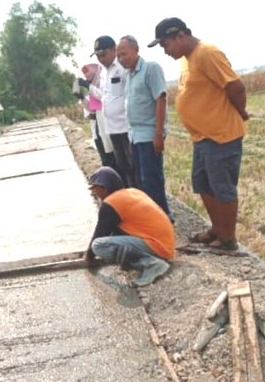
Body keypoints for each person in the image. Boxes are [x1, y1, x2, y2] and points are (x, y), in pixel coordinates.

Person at [148, 18, 249, 251]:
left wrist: (241, 112)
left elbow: (236, 87)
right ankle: (217, 228)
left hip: (221, 135)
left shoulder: (207, 53)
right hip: (202, 137)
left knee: (222, 187)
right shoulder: (187, 59)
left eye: (165, 45)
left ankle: (228, 239)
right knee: (203, 184)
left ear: (179, 36)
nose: (165, 51)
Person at [84, 166, 175, 286]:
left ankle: (151, 264)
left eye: (95, 189)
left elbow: (101, 233)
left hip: (158, 246)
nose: (94, 193)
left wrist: (89, 256)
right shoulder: (132, 192)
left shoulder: (111, 203)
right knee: (112, 239)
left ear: (104, 188)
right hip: (166, 243)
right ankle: (143, 260)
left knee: (99, 245)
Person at [116, 35, 173, 219]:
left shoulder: (150, 69)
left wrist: (158, 133)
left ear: (136, 50)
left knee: (152, 180)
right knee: (140, 180)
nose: (121, 59)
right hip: (134, 135)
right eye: (119, 56)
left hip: (149, 134)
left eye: (124, 54)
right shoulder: (128, 75)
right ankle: (153, 217)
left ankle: (162, 217)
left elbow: (160, 99)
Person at [79, 36, 135, 187]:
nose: (101, 59)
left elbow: (130, 94)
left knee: (132, 167)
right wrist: (88, 89)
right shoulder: (104, 72)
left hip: (125, 126)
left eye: (103, 54)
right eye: (97, 56)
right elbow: (103, 97)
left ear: (113, 50)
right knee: (122, 166)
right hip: (111, 129)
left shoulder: (122, 68)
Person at [79, 63, 116, 169]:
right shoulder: (91, 90)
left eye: (89, 75)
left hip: (109, 128)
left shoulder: (104, 85)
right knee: (106, 161)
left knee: (115, 159)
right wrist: (82, 97)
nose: (87, 79)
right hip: (98, 131)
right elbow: (91, 111)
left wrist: (89, 87)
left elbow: (103, 98)